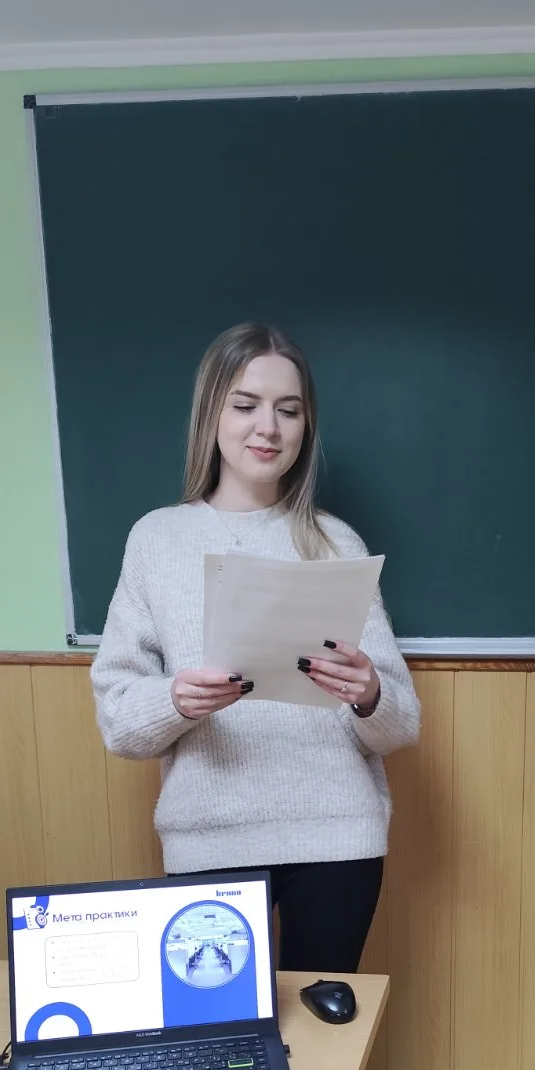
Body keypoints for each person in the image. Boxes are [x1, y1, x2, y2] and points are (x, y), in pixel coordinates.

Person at [92, 322, 420, 973]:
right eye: (245, 405)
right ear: (211, 414)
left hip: (337, 838)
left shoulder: (335, 542)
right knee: (216, 1025)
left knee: (323, 1025)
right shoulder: (157, 540)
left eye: (288, 410)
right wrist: (175, 701)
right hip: (208, 840)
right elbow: (119, 721)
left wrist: (369, 695)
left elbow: (401, 723)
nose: (268, 427)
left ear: (305, 426)